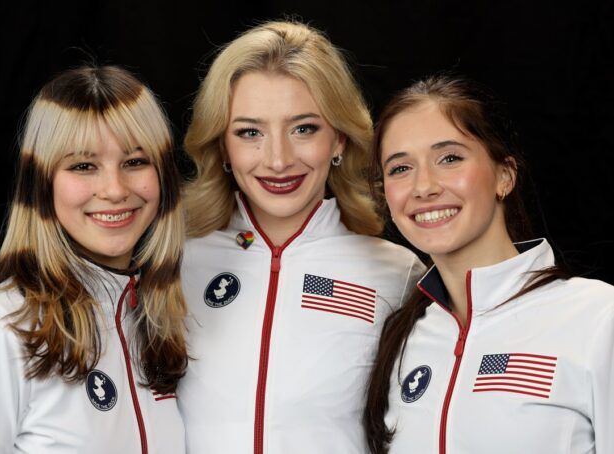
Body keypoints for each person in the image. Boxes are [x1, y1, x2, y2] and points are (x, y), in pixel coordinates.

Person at [178, 21, 425, 453]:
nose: (278, 160)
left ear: (340, 139)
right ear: (222, 147)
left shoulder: (399, 274)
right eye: (250, 132)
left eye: (304, 128)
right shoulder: (172, 263)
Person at [0, 65, 187, 453]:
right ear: (42, 182)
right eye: (83, 166)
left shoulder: (159, 325)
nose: (115, 190)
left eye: (135, 161)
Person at [363, 75, 614, 453]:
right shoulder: (400, 338)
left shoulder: (598, 317)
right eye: (400, 168)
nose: (424, 186)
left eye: (449, 158)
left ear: (504, 176)